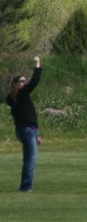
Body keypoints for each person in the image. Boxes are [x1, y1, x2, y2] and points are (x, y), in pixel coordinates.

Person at [5, 56, 42, 193]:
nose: (25, 82)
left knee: (29, 159)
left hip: (28, 130)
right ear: (15, 84)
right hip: (26, 131)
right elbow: (35, 81)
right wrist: (38, 64)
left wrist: (37, 133)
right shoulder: (20, 95)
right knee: (30, 160)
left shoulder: (19, 97)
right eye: (22, 81)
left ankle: (25, 186)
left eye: (25, 81)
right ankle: (26, 187)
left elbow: (30, 117)